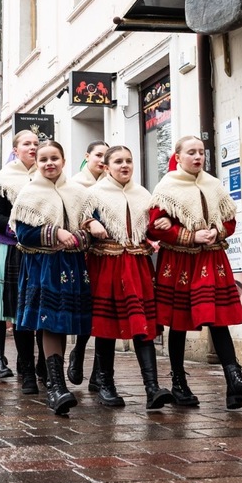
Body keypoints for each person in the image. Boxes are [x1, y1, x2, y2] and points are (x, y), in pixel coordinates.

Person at [148, 135, 242, 411]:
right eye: (191, 152)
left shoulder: (213, 185)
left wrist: (216, 231)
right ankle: (179, 383)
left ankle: (234, 382)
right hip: (180, 263)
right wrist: (188, 234)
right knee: (178, 323)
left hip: (212, 259)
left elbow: (229, 219)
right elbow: (154, 227)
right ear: (178, 156)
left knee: (218, 318)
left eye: (201, 152)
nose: (198, 157)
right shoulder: (167, 187)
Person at [81, 145, 174, 409]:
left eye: (129, 161)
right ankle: (105, 385)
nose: (125, 165)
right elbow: (78, 218)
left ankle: (152, 388)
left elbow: (151, 230)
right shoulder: (93, 194)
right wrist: (90, 222)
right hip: (107, 265)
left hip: (137, 265)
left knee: (142, 325)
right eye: (118, 161)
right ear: (106, 167)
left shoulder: (142, 193)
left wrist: (162, 225)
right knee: (106, 327)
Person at [13, 140, 91, 416]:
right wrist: (55, 232)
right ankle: (56, 387)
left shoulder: (78, 193)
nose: (49, 163)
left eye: (54, 158)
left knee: (67, 322)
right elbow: (23, 235)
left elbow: (90, 226)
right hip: (42, 265)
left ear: (64, 160)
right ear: (36, 163)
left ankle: (60, 378)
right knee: (50, 323)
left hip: (71, 264)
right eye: (43, 159)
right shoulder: (29, 193)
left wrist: (80, 236)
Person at [0, 130, 39, 390]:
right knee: (19, 312)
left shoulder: (46, 174)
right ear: (15, 149)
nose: (33, 148)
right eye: (27, 144)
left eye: (36, 143)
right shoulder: (3, 179)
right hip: (14, 249)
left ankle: (45, 367)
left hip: (43, 248)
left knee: (42, 308)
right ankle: (26, 369)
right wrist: (16, 228)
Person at [67, 140, 107, 389]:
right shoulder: (75, 185)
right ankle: (78, 352)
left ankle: (99, 373)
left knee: (104, 312)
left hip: (109, 256)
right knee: (86, 310)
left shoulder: (112, 185)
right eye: (98, 155)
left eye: (106, 156)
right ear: (87, 156)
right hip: (84, 254)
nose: (102, 161)